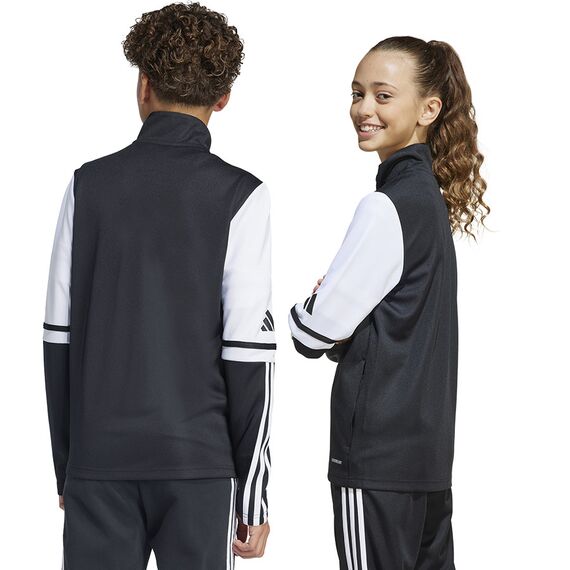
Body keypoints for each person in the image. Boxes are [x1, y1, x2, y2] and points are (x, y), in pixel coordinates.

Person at [42, 3, 274, 568]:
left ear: (143, 85)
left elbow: (57, 339)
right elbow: (249, 356)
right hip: (200, 467)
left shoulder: (86, 186)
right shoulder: (241, 196)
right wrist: (253, 493)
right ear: (223, 98)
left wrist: (68, 466)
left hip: (99, 463)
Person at [288, 36, 489, 569]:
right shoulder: (428, 202)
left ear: (428, 109)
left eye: (382, 95)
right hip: (426, 460)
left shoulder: (388, 206)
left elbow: (310, 332)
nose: (363, 109)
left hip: (376, 461)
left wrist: (318, 299)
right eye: (357, 93)